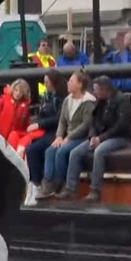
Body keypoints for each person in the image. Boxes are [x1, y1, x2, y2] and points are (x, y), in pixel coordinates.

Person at [60, 76, 131, 202]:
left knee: (99, 151)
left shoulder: (122, 101)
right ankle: (70, 188)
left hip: (120, 136)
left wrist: (102, 138)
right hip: (101, 136)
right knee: (75, 153)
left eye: (96, 90)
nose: (94, 93)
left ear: (104, 89)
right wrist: (93, 136)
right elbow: (93, 121)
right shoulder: (101, 101)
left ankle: (95, 190)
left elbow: (122, 125)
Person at [35, 70, 96, 201]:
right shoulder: (67, 100)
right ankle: (47, 183)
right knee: (50, 151)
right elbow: (62, 121)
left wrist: (69, 137)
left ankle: (60, 183)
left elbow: (86, 125)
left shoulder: (88, 102)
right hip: (67, 135)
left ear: (79, 85)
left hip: (81, 137)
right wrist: (59, 136)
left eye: (71, 81)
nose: (68, 83)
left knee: (62, 151)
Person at [23, 70, 68, 206]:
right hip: (45, 131)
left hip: (57, 131)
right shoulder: (47, 97)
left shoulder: (61, 99)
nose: (45, 84)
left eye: (47, 81)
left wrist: (39, 124)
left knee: (38, 149)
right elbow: (41, 114)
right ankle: (33, 184)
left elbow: (60, 118)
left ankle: (41, 184)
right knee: (30, 148)